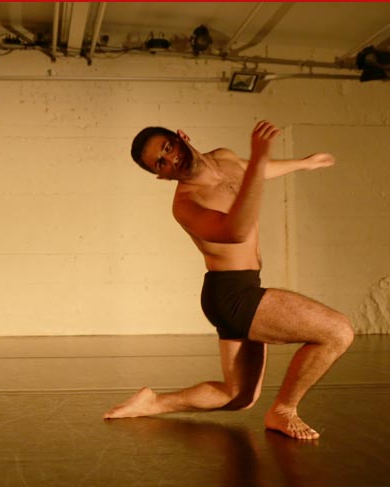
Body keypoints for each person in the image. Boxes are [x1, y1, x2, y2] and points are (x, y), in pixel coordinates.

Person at [103, 121, 354, 440]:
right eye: (160, 163)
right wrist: (259, 159)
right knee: (337, 332)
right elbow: (236, 230)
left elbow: (248, 171)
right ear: (161, 176)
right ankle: (284, 410)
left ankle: (152, 402)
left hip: (241, 288)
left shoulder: (223, 157)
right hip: (232, 295)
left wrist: (302, 163)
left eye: (167, 148)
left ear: (181, 137)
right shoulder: (186, 205)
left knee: (238, 395)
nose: (170, 159)